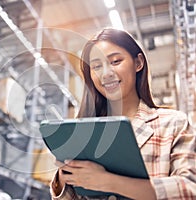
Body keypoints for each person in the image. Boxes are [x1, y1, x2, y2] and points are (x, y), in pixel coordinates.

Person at [50, 28, 196, 199]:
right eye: (96, 66)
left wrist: (109, 181)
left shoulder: (172, 123)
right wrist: (64, 176)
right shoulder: (85, 133)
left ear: (138, 63)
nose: (106, 73)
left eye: (115, 61)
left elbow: (189, 190)